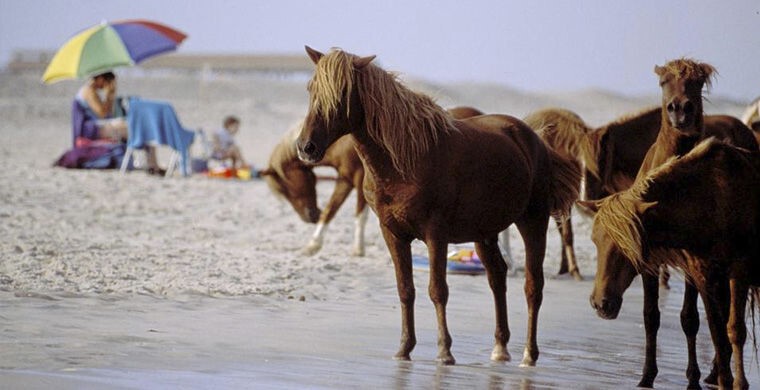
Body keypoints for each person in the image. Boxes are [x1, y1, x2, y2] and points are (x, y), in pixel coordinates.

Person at [73, 71, 164, 175]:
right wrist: (109, 95)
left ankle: (152, 164)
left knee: (136, 128)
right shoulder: (88, 91)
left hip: (97, 126)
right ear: (101, 79)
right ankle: (153, 165)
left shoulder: (91, 91)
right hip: (92, 129)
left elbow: (108, 113)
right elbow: (102, 113)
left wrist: (110, 95)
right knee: (138, 130)